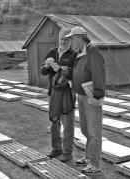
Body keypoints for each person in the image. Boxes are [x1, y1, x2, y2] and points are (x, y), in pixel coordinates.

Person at [65, 26, 106, 175]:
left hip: (91, 96)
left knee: (94, 131)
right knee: (85, 129)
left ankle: (95, 164)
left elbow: (98, 72)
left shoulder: (92, 50)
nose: (70, 41)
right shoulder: (79, 53)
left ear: (81, 37)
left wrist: (98, 95)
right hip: (81, 96)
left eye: (72, 38)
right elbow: (80, 72)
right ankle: (89, 157)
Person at [41, 28, 77, 162]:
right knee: (54, 122)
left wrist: (62, 70)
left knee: (68, 125)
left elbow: (76, 73)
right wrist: (47, 65)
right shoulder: (52, 52)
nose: (63, 41)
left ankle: (67, 152)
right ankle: (56, 149)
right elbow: (43, 72)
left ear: (71, 41)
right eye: (61, 39)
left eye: (66, 39)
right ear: (58, 39)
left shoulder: (74, 54)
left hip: (67, 93)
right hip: (53, 92)